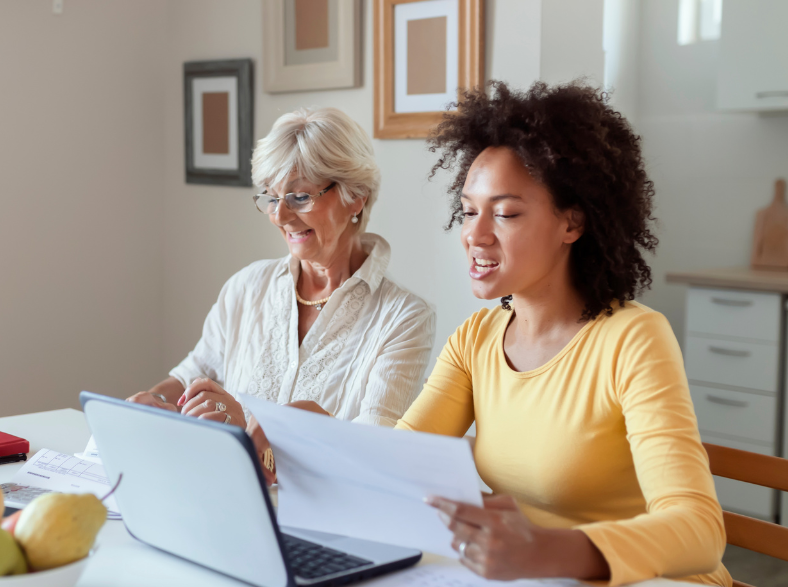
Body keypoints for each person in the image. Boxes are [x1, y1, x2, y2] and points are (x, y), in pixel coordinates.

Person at [400, 82, 731, 586]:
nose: (475, 233)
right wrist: (307, 447)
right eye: (469, 210)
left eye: (505, 213)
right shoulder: (476, 339)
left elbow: (700, 531)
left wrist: (544, 551)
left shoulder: (634, 338)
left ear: (572, 223)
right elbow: (400, 460)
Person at [128, 107, 436, 482]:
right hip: (219, 496)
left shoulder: (403, 318)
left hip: (320, 524)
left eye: (300, 197)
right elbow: (193, 374)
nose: (279, 216)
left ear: (356, 197)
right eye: (271, 198)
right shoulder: (247, 287)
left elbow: (374, 453)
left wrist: (248, 427)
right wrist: (155, 404)